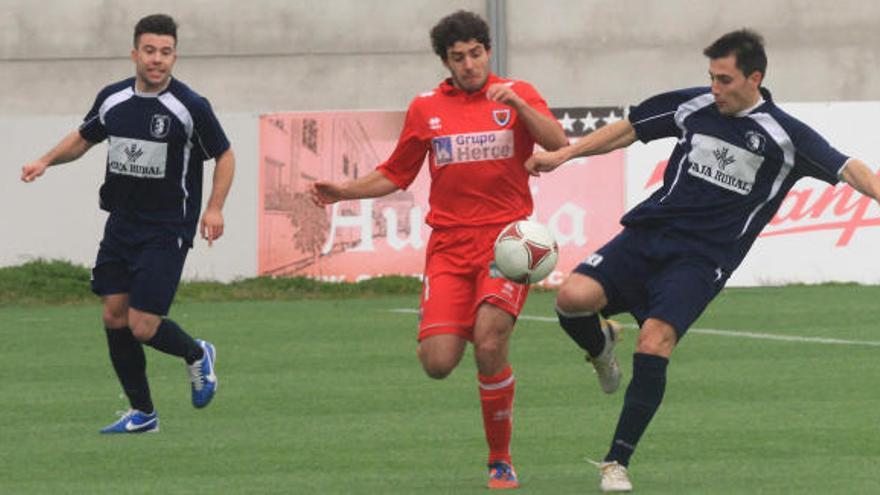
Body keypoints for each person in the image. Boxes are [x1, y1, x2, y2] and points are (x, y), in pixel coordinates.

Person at [526, 29, 880, 492]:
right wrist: (564, 154)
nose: (715, 88)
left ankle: (616, 463)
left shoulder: (786, 137)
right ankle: (601, 346)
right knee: (572, 298)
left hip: (702, 260)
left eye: (725, 79)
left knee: (654, 343)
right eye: (711, 77)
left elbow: (846, 166)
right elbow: (632, 128)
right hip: (649, 233)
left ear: (755, 78)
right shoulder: (694, 106)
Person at [310, 10, 567, 489]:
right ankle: (484, 327)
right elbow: (396, 172)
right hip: (448, 248)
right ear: (445, 62)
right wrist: (343, 191)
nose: (469, 64)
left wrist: (519, 105)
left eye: (475, 53)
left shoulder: (518, 93)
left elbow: (556, 143)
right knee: (438, 363)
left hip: (505, 243)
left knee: (489, 343)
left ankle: (500, 459)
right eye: (458, 57)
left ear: (488, 51)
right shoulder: (425, 107)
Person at [20, 14, 234, 434]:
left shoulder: (189, 106)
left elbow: (224, 155)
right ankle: (143, 414)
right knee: (114, 317)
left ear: (175, 56)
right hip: (121, 223)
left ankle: (196, 354)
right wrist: (45, 160)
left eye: (166, 52)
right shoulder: (114, 98)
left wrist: (215, 207)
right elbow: (84, 138)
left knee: (142, 325)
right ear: (135, 53)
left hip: (166, 227)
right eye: (150, 51)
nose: (158, 60)